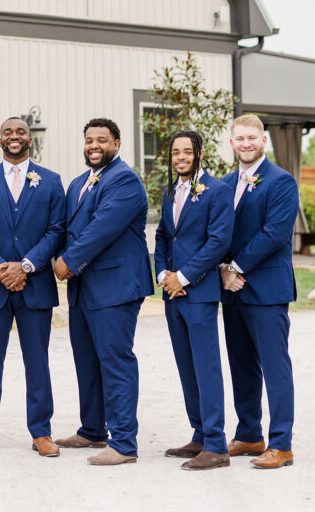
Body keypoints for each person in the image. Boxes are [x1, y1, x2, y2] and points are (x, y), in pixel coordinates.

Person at [0, 117, 66, 457]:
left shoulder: (50, 181)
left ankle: (41, 432)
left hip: (36, 286)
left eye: (21, 132)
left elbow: (57, 229)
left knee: (38, 361)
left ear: (29, 140)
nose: (14, 136)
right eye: (8, 132)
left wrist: (28, 266)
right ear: (0, 138)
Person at [54, 118, 153, 466]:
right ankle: (92, 429)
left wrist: (67, 261)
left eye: (102, 140)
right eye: (89, 140)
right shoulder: (79, 182)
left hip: (115, 286)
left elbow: (101, 229)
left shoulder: (125, 180)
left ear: (117, 143)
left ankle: (124, 443)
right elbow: (66, 229)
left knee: (115, 360)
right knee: (87, 359)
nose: (94, 146)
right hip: (83, 287)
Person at [221, 113, 299, 469]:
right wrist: (223, 269)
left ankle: (281, 443)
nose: (246, 144)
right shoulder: (222, 184)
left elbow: (275, 234)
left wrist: (236, 268)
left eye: (252, 138)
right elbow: (218, 233)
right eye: (240, 138)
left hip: (266, 290)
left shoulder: (281, 182)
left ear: (263, 141)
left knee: (274, 366)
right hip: (231, 290)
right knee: (241, 365)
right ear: (232, 142)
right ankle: (250, 433)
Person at [154, 130, 234, 470]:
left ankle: (216, 445)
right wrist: (163, 275)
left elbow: (217, 242)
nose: (181, 157)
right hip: (172, 294)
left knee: (206, 365)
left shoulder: (218, 191)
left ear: (199, 154)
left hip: (198, 292)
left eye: (187, 151)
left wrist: (183, 277)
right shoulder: (171, 191)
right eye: (175, 152)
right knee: (186, 365)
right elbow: (161, 237)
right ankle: (200, 434)